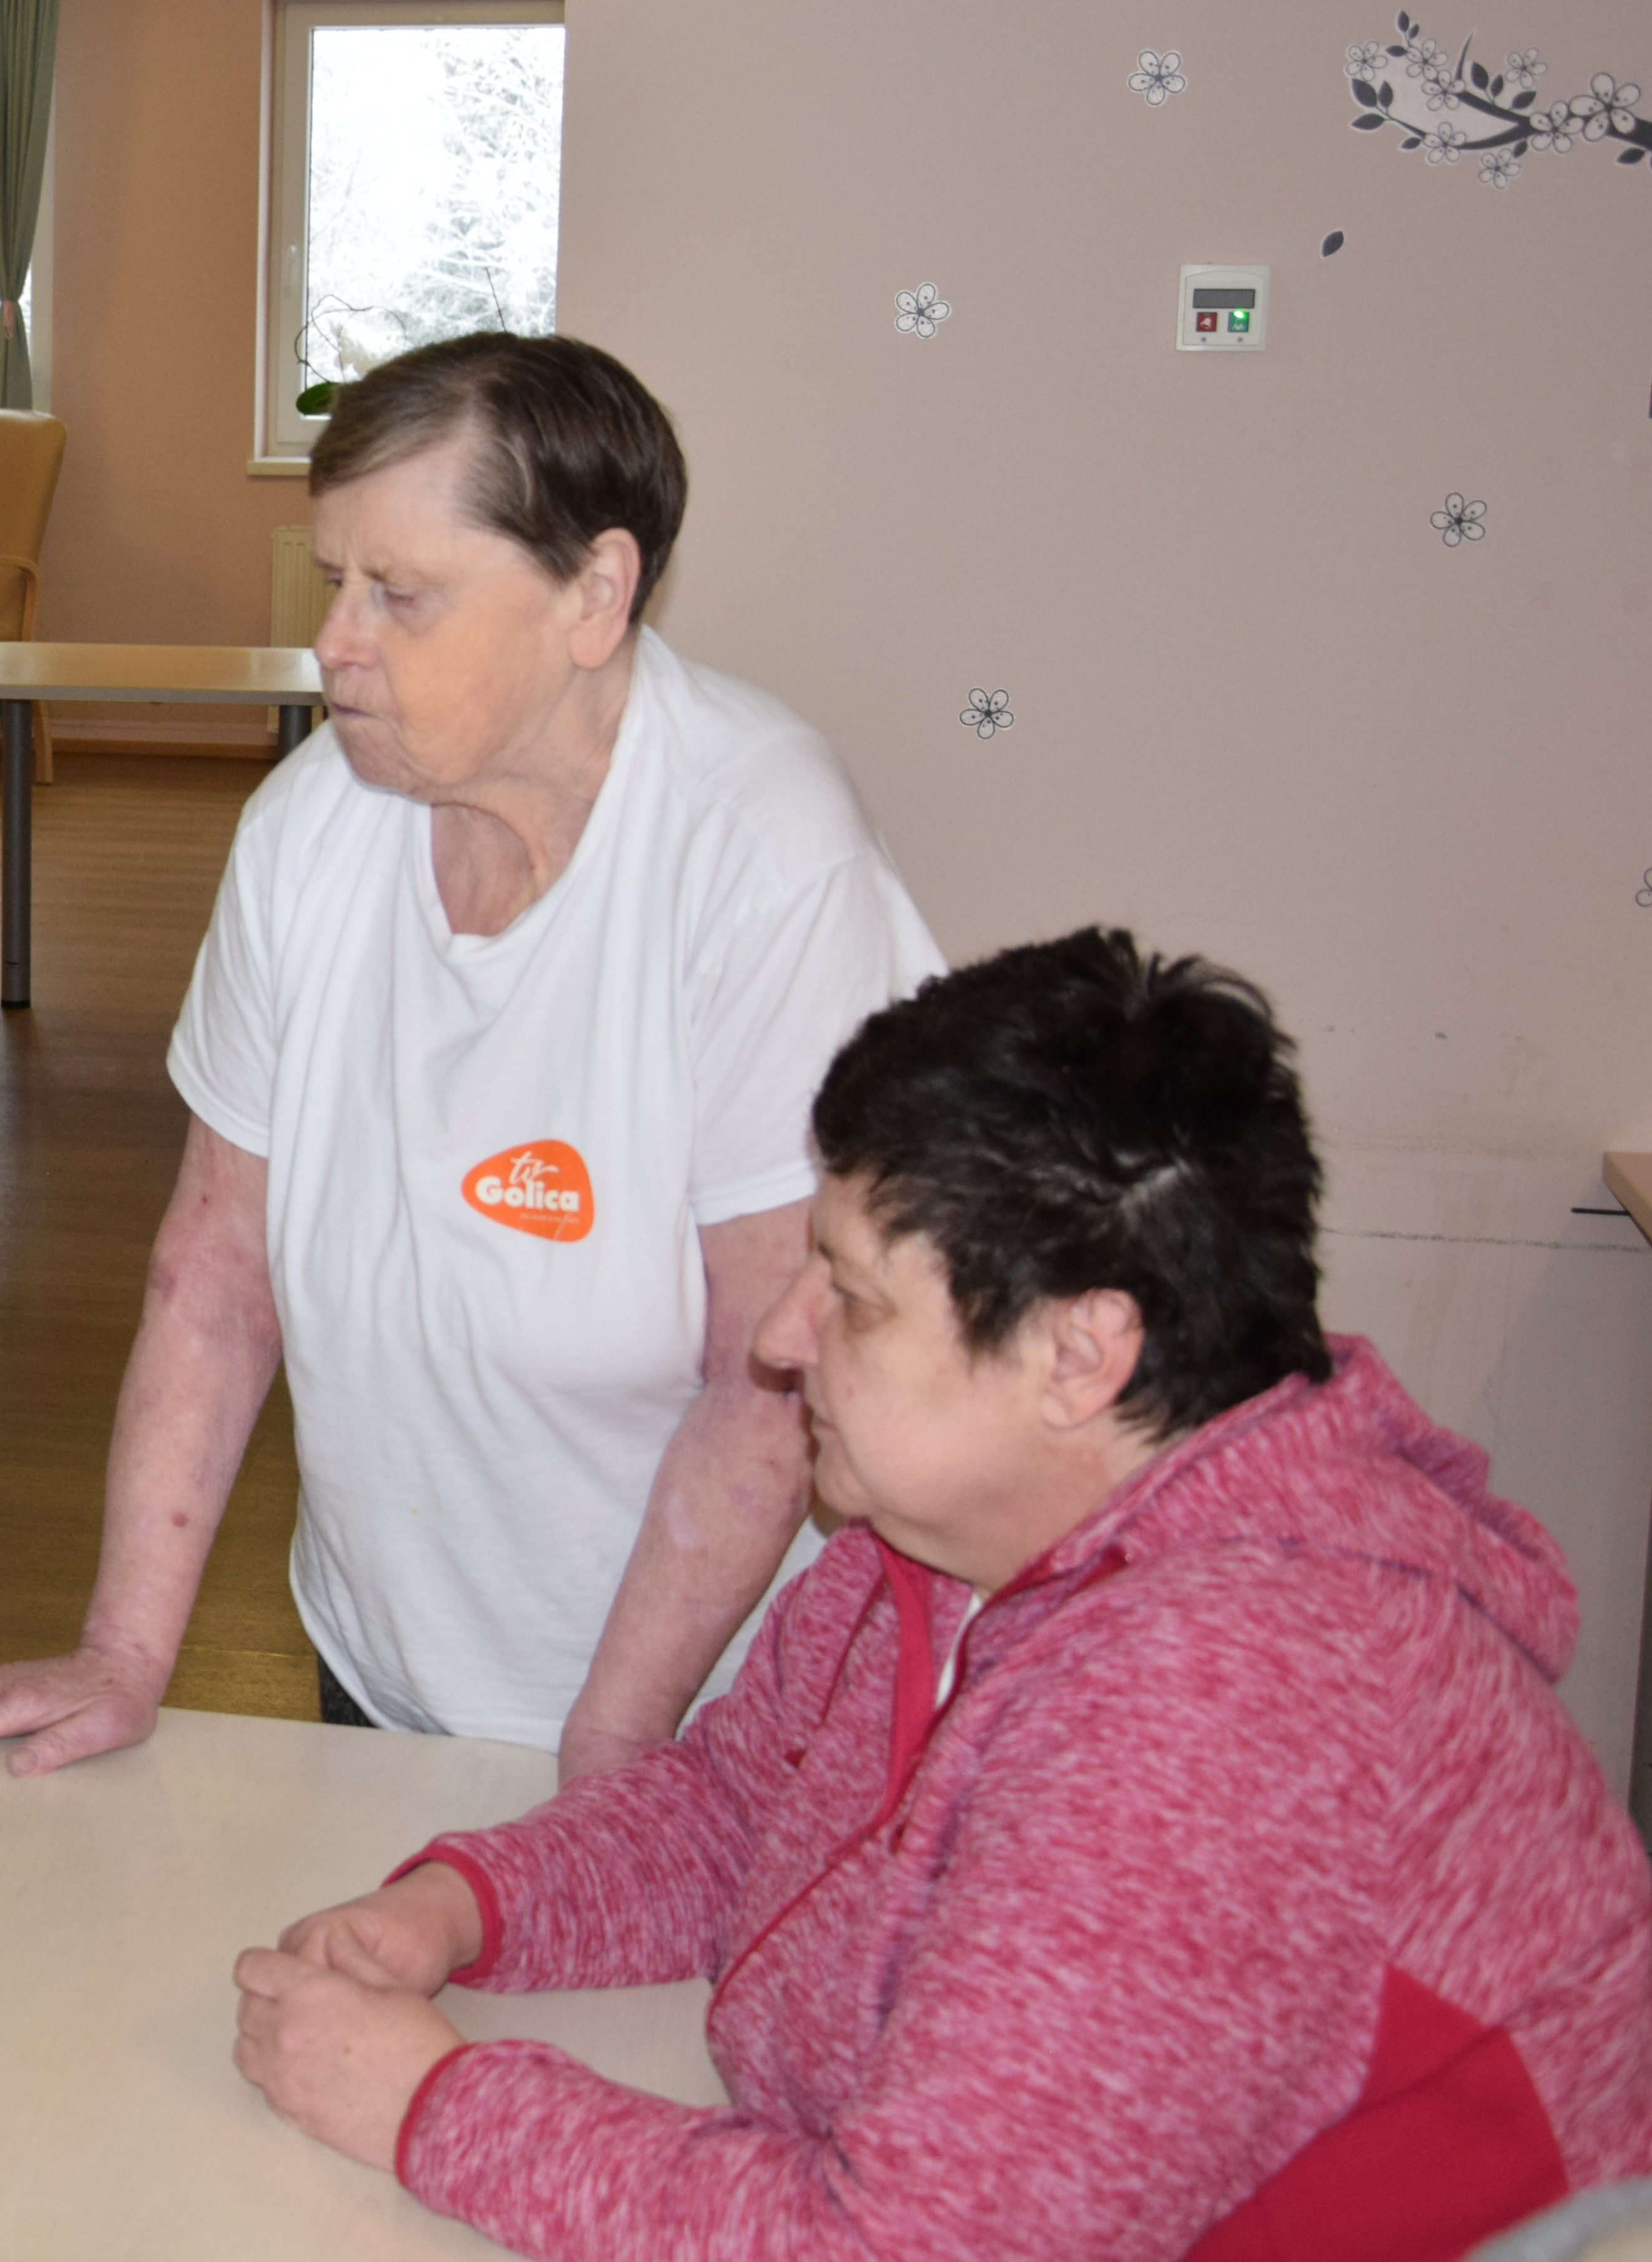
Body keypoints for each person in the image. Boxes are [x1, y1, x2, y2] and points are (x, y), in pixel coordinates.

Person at [233, 932, 1652, 2256]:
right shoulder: (947, 1534)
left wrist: (433, 2105)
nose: (785, 1341)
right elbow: (742, 1800)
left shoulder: (1231, 1702)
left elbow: (917, 2244)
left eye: (850, 1294)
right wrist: (469, 1910)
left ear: (1080, 1353)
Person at [0, 334, 941, 1780]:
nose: (336, 641)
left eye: (400, 594)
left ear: (595, 596)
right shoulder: (312, 824)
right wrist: (123, 1649)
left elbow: (771, 1371)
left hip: (708, 1712)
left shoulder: (761, 851)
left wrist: (611, 1749)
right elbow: (217, 1269)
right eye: (333, 581)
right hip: (384, 1655)